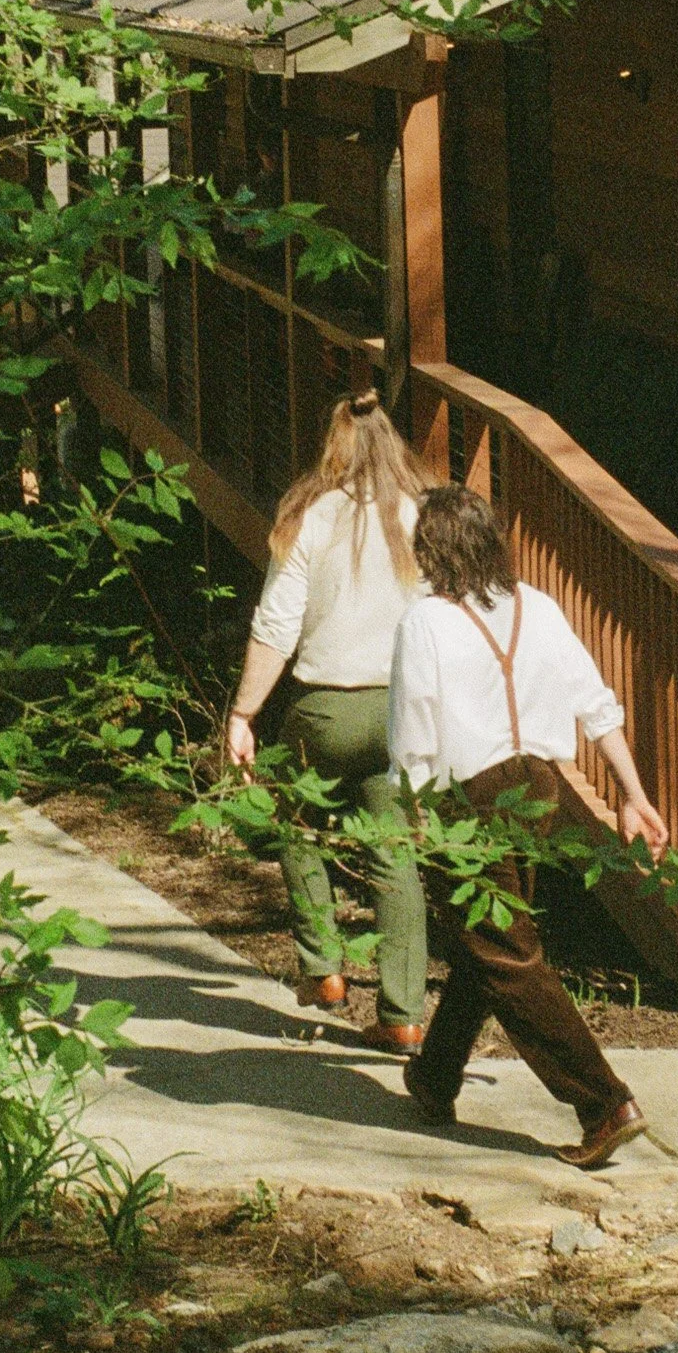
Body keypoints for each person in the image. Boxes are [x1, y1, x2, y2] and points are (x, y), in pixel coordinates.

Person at [387, 481, 669, 1171]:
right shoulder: (536, 606)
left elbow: (412, 736)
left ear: (431, 548)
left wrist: (413, 813)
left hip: (470, 796)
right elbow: (597, 704)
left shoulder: (423, 622)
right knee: (488, 939)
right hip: (539, 788)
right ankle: (434, 1076)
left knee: (506, 954)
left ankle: (604, 1101)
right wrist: (632, 793)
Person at [226, 391, 433, 1050]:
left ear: (333, 444)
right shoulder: (419, 514)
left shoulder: (308, 516)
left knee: (294, 821)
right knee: (395, 856)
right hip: (397, 711)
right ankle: (402, 1013)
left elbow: (276, 625)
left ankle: (323, 969)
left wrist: (244, 712)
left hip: (322, 709)